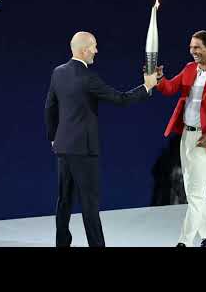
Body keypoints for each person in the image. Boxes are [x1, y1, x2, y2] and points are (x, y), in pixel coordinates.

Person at [45, 31, 158, 247]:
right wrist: (147, 86)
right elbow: (121, 99)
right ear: (84, 49)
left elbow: (49, 106)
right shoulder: (88, 78)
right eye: (94, 46)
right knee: (89, 204)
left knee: (64, 200)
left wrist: (53, 137)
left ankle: (62, 243)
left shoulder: (58, 72)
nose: (96, 51)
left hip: (63, 147)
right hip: (84, 151)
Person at [154, 30, 206, 247]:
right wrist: (160, 79)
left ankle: (184, 242)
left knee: (195, 192)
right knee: (197, 193)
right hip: (187, 137)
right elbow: (171, 88)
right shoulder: (190, 69)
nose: (193, 51)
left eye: (198, 47)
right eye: (191, 47)